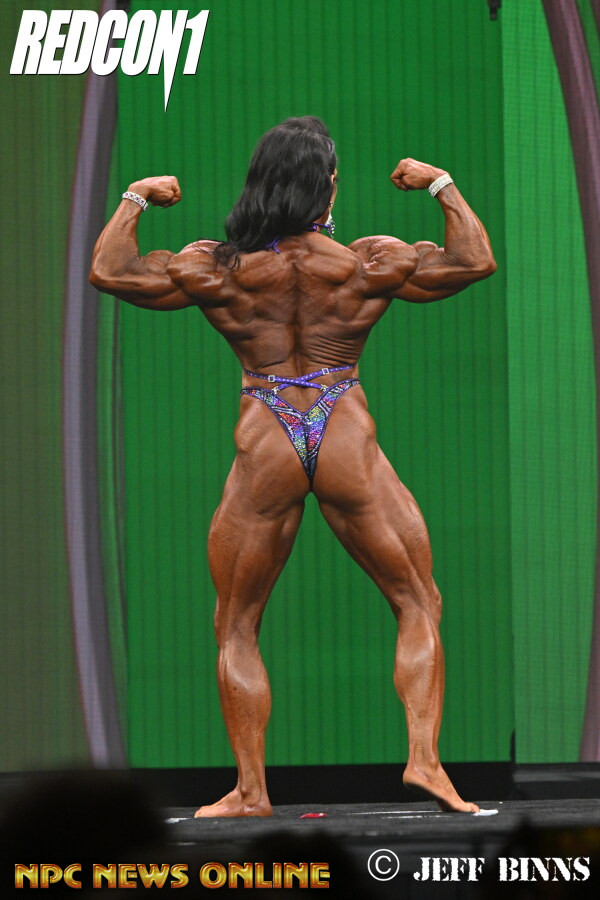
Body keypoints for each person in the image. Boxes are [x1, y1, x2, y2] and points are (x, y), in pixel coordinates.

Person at [90, 116, 496, 817]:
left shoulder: (217, 266)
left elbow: (111, 271)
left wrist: (137, 196)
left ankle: (251, 791)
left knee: (237, 622)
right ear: (325, 188)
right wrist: (441, 185)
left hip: (267, 430)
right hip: (341, 426)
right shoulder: (368, 262)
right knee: (416, 600)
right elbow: (472, 260)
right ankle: (425, 762)